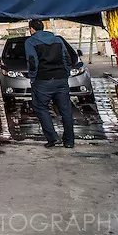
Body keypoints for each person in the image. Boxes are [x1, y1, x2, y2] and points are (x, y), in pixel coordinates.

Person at [25, 19, 75, 148]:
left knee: (41, 108)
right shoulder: (58, 40)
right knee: (66, 110)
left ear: (31, 29)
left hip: (42, 81)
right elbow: (67, 58)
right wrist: (66, 73)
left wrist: (32, 77)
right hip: (61, 79)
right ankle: (69, 141)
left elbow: (32, 61)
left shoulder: (30, 42)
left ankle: (53, 138)